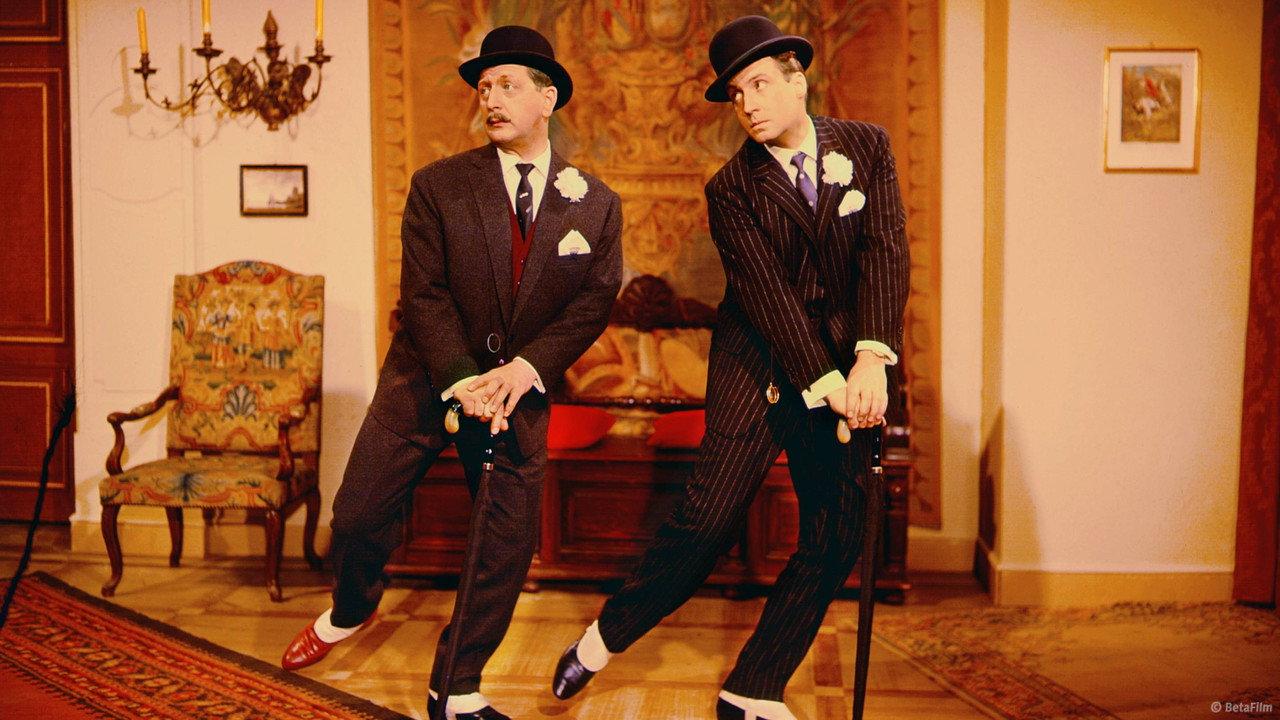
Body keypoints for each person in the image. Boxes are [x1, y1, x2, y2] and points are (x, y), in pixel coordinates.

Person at [550, 15, 909, 720]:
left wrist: (872, 357)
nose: (748, 104)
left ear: (798, 80)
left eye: (760, 85)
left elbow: (885, 253)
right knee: (705, 524)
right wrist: (831, 387)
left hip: (847, 361)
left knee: (840, 530)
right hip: (759, 366)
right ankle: (600, 640)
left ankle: (752, 688)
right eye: (737, 93)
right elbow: (770, 299)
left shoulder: (867, 147)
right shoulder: (732, 188)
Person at [281, 25, 623, 720]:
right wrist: (463, 379)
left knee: (504, 546)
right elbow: (424, 294)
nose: (490, 98)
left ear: (548, 98)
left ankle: (456, 688)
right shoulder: (440, 185)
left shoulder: (595, 203)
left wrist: (525, 370)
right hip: (426, 379)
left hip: (517, 391)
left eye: (507, 85)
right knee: (356, 516)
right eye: (484, 86)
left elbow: (593, 302)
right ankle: (351, 608)